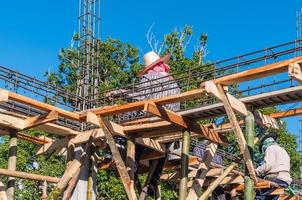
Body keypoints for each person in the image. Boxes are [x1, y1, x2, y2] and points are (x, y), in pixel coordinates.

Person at [255, 133, 292, 200]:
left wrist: (256, 171)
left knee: (259, 194)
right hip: (285, 180)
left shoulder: (270, 148)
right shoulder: (282, 150)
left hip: (276, 178)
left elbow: (267, 164)